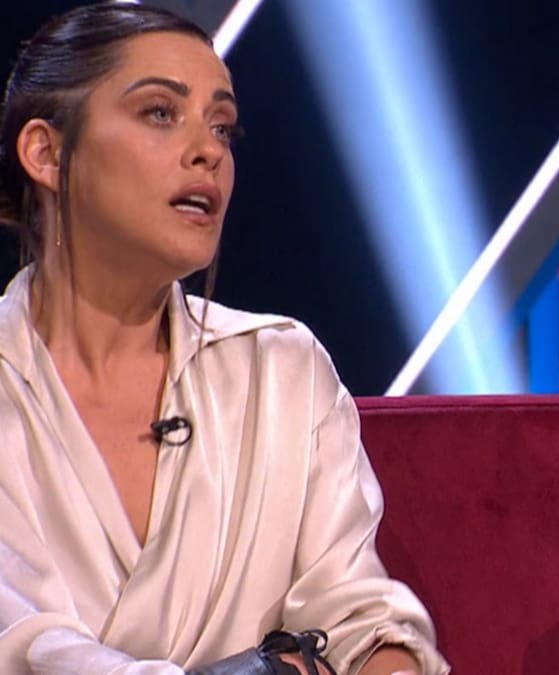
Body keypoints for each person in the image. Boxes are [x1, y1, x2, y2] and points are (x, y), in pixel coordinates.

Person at [0, 4, 448, 674]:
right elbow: (24, 648)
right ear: (46, 151)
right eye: (160, 112)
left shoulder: (281, 371)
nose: (209, 150)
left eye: (222, 126)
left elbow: (360, 621)